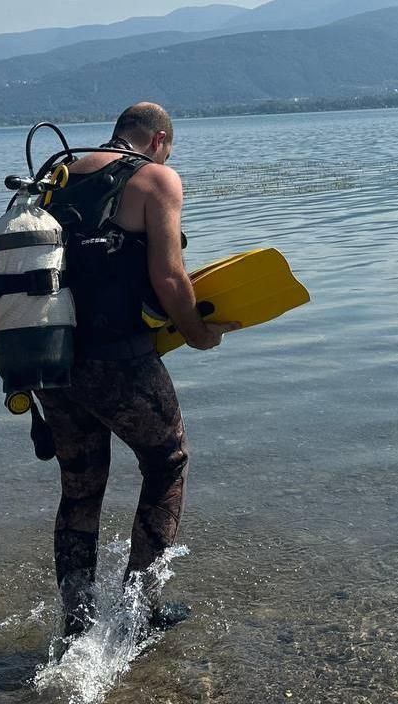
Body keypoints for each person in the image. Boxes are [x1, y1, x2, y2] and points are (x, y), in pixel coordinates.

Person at [34, 102, 237, 637]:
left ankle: (76, 622)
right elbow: (169, 278)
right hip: (118, 359)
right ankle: (139, 613)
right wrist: (197, 333)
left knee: (81, 488)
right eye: (168, 147)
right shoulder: (155, 178)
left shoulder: (56, 176)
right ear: (159, 139)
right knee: (168, 460)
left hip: (50, 360)